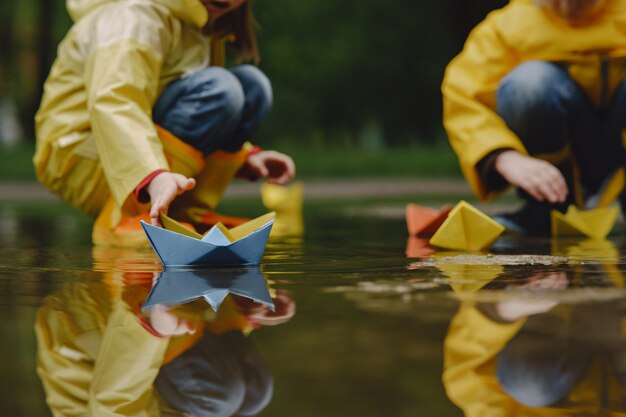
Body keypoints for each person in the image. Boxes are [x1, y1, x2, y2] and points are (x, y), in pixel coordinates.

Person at [34, 0, 295, 247]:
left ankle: (182, 212)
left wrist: (243, 157)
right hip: (81, 154)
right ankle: (133, 213)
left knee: (252, 86)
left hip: (126, 148)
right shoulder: (134, 16)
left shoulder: (197, 18)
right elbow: (116, 101)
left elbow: (176, 100)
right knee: (222, 89)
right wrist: (152, 175)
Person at [442, 0, 626, 235]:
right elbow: (463, 95)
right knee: (528, 84)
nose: (567, 7)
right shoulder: (507, 27)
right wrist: (502, 156)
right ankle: (549, 206)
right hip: (560, 160)